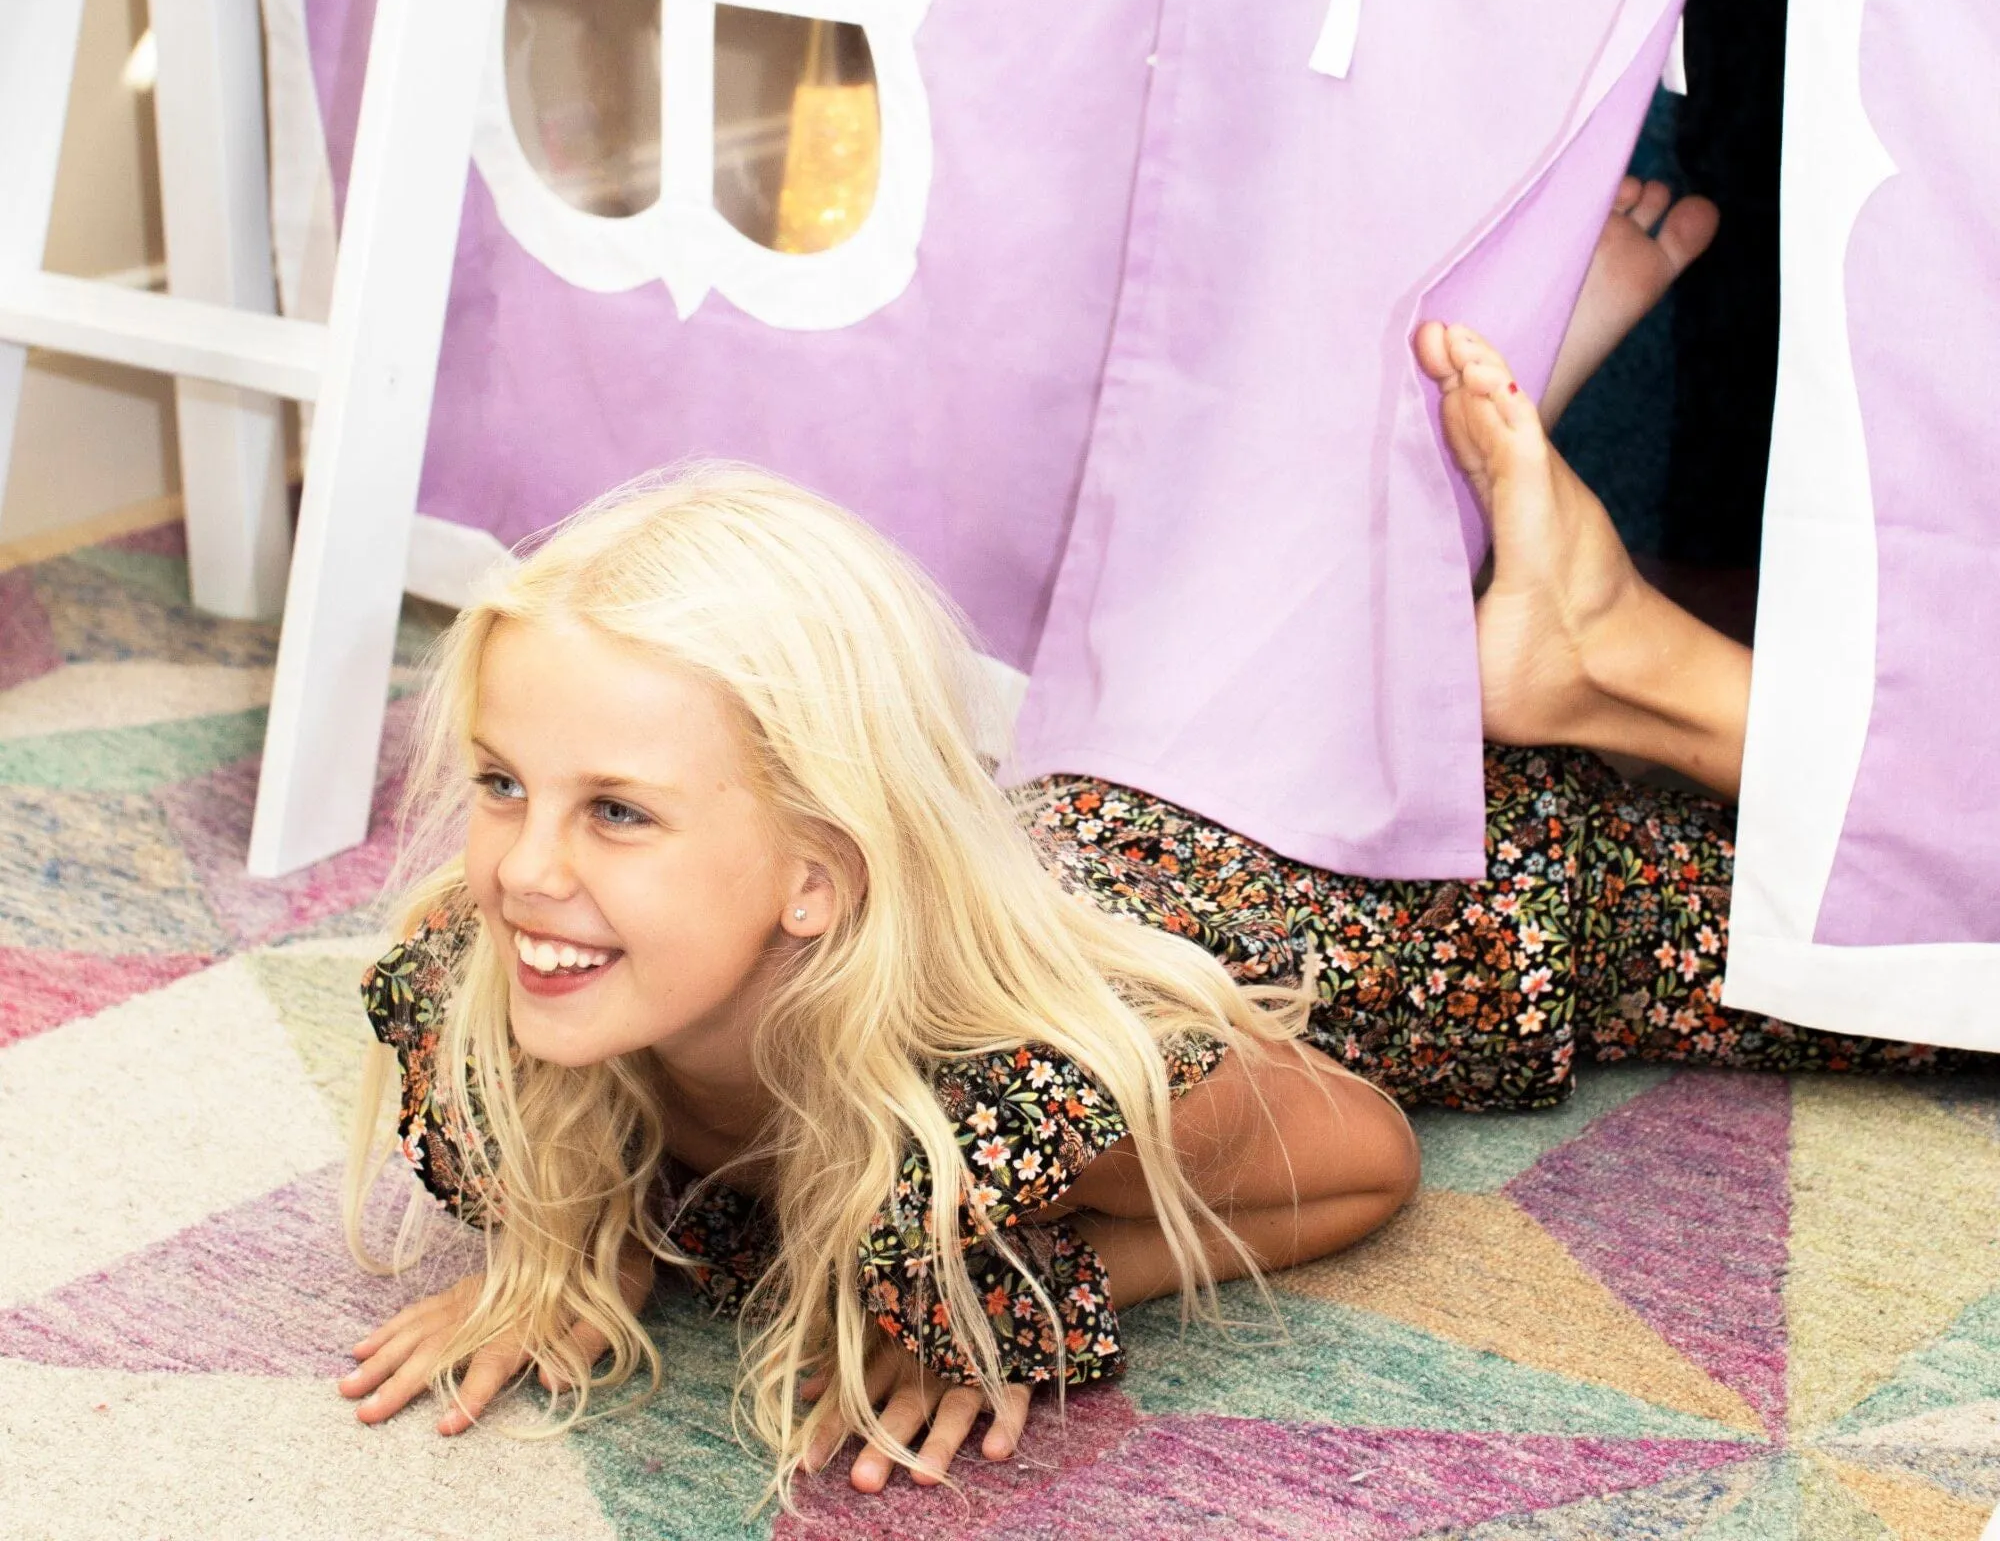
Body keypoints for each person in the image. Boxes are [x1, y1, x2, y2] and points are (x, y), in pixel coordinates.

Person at [337, 184, 1960, 1501]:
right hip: (1182, 768)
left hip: (1472, 892)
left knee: (1941, 919)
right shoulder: (507, 998)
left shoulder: (1025, 1082)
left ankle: (1633, 665)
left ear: (818, 874)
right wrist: (566, 1256)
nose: (526, 869)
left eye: (614, 809)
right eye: (500, 783)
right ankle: (1504, 553)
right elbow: (646, 1163)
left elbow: (1361, 1160)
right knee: (1225, 621)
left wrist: (1042, 1287)